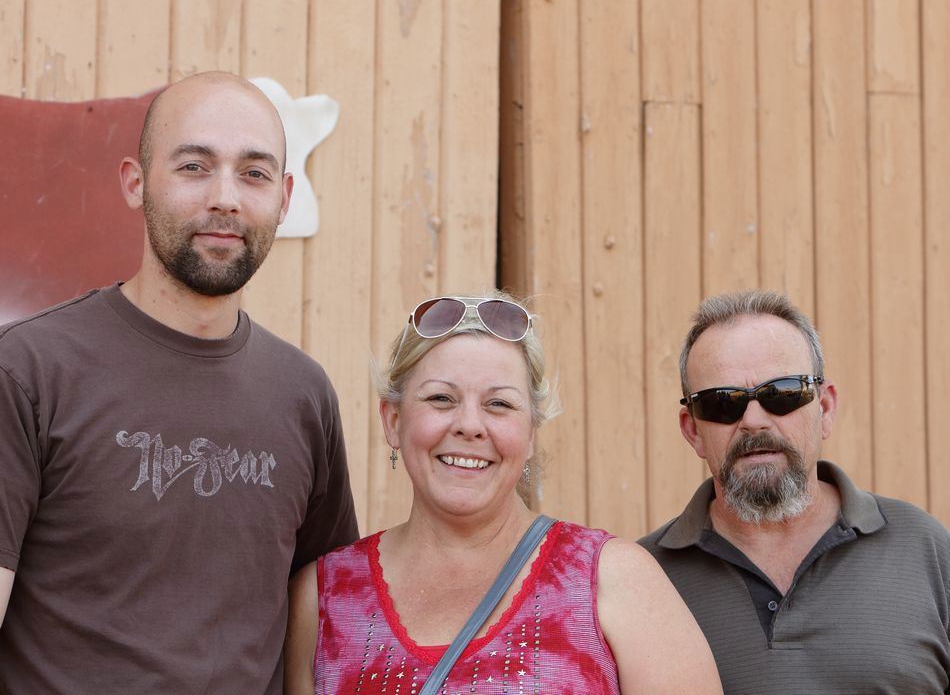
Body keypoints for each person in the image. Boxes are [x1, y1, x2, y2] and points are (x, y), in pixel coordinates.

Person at [0, 71, 359, 694]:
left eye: (254, 173)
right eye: (194, 167)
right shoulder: (30, 370)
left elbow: (319, 613)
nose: (226, 197)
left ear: (284, 195)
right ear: (135, 184)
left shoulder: (303, 395)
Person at [284, 294, 723, 694]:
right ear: (393, 420)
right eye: (440, 398)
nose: (470, 425)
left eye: (499, 404)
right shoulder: (323, 597)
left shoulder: (614, 580)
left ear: (531, 432)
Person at [638, 290, 950, 694]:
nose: (753, 420)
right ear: (693, 429)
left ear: (825, 408)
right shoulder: (642, 579)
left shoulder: (924, 550)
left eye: (782, 393)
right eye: (722, 402)